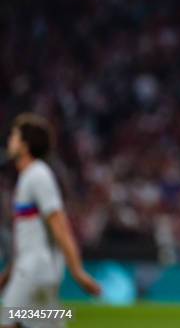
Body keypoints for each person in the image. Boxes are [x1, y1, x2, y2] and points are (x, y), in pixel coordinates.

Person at [0, 113, 100, 328]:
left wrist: (78, 271)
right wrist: (7, 275)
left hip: (33, 272)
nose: (9, 140)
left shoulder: (38, 176)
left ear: (25, 146)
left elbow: (60, 226)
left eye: (14, 136)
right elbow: (28, 238)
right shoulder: (29, 178)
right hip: (36, 272)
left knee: (8, 322)